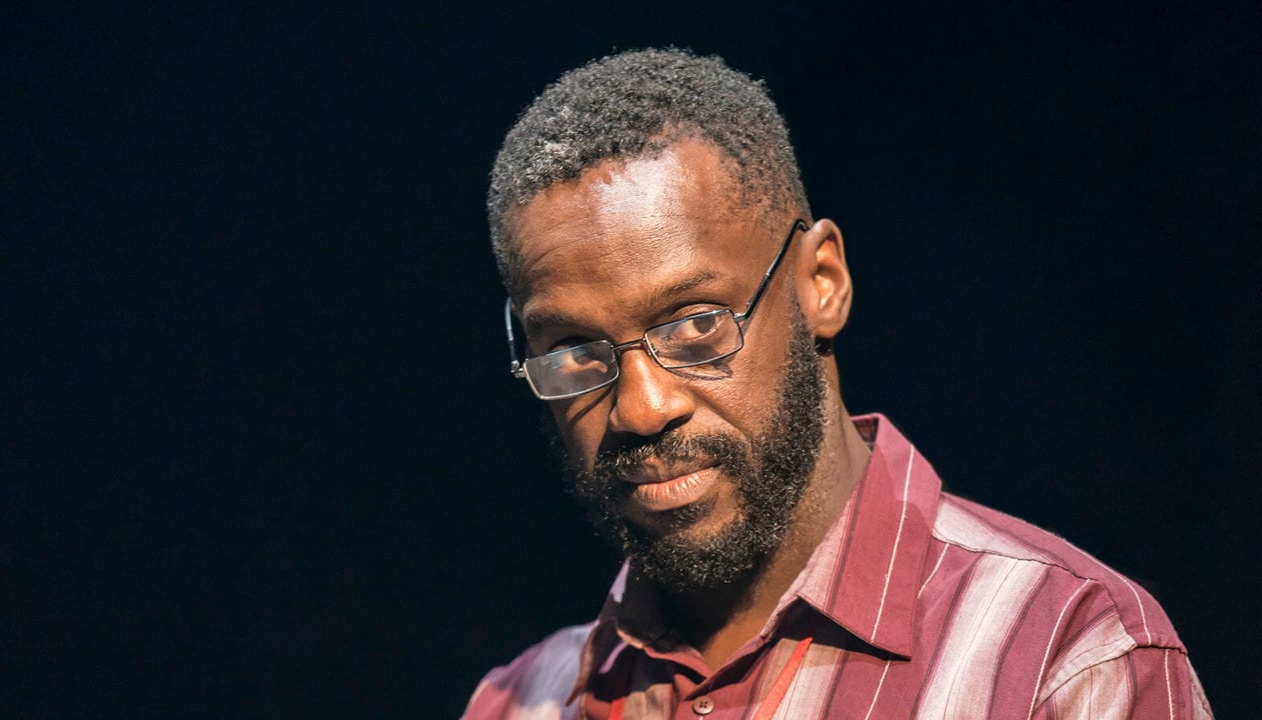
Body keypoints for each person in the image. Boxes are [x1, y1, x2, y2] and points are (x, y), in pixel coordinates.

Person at [464, 48, 1212, 720]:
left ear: (821, 282)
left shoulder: (1065, 665)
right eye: (575, 351)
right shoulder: (518, 703)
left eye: (695, 326)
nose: (642, 407)